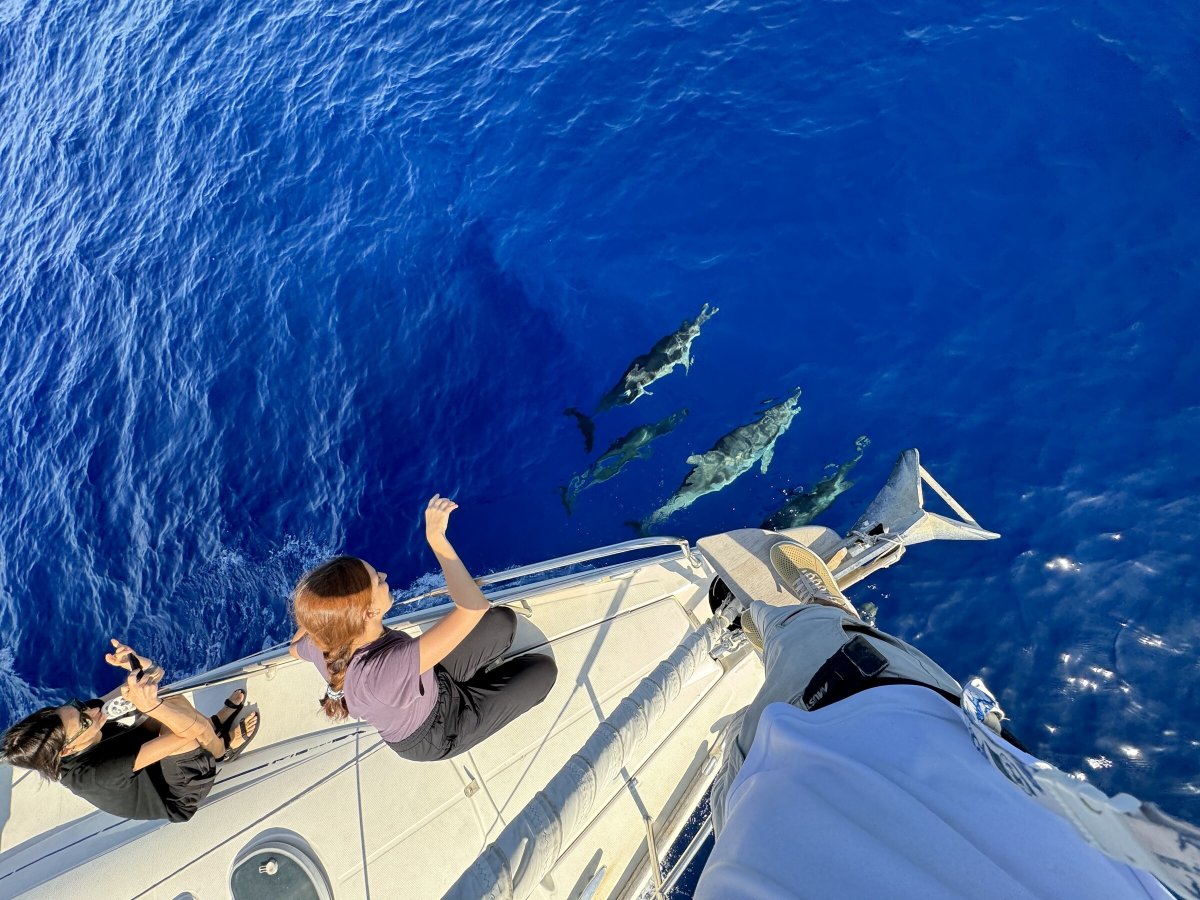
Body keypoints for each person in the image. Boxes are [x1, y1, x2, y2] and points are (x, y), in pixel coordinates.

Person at [693, 529, 1186, 899]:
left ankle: (777, 615)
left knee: (797, 639)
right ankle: (801, 612)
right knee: (772, 688)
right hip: (787, 791)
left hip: (843, 730)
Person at [289, 494, 557, 761]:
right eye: (376, 580)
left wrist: (318, 611)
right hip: (436, 729)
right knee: (543, 672)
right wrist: (436, 537)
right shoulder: (383, 671)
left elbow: (293, 649)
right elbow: (473, 608)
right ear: (369, 612)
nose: (384, 576)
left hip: (430, 681)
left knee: (502, 622)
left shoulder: (324, 643)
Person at [2, 639, 259, 823]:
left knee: (168, 700)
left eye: (75, 706)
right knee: (174, 721)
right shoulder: (94, 775)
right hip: (176, 794)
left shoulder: (87, 717)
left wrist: (136, 664)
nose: (91, 711)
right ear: (68, 749)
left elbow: (155, 675)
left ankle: (214, 728)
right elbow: (188, 734)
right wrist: (153, 707)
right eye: (83, 721)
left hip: (145, 761)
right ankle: (223, 749)